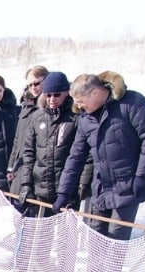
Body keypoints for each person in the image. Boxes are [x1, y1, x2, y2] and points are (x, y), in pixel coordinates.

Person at [54, 72, 145, 241]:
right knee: (95, 241)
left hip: (128, 188)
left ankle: (112, 269)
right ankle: (94, 269)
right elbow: (76, 155)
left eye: (82, 102)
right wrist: (64, 192)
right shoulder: (86, 119)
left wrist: (142, 176)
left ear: (95, 93)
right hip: (100, 190)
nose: (80, 107)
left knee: (115, 243)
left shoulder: (132, 103)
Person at [17, 71, 89, 215]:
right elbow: (29, 153)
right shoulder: (37, 117)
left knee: (65, 235)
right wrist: (26, 184)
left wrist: (81, 184)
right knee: (41, 234)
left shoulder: (77, 118)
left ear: (66, 93)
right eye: (48, 95)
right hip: (41, 189)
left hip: (67, 190)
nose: (51, 99)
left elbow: (85, 155)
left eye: (57, 95)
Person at [7, 65, 49, 203]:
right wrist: (11, 166)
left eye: (37, 83)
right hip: (21, 166)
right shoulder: (26, 106)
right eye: (30, 85)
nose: (33, 88)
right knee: (16, 207)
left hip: (38, 169)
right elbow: (18, 139)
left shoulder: (49, 108)